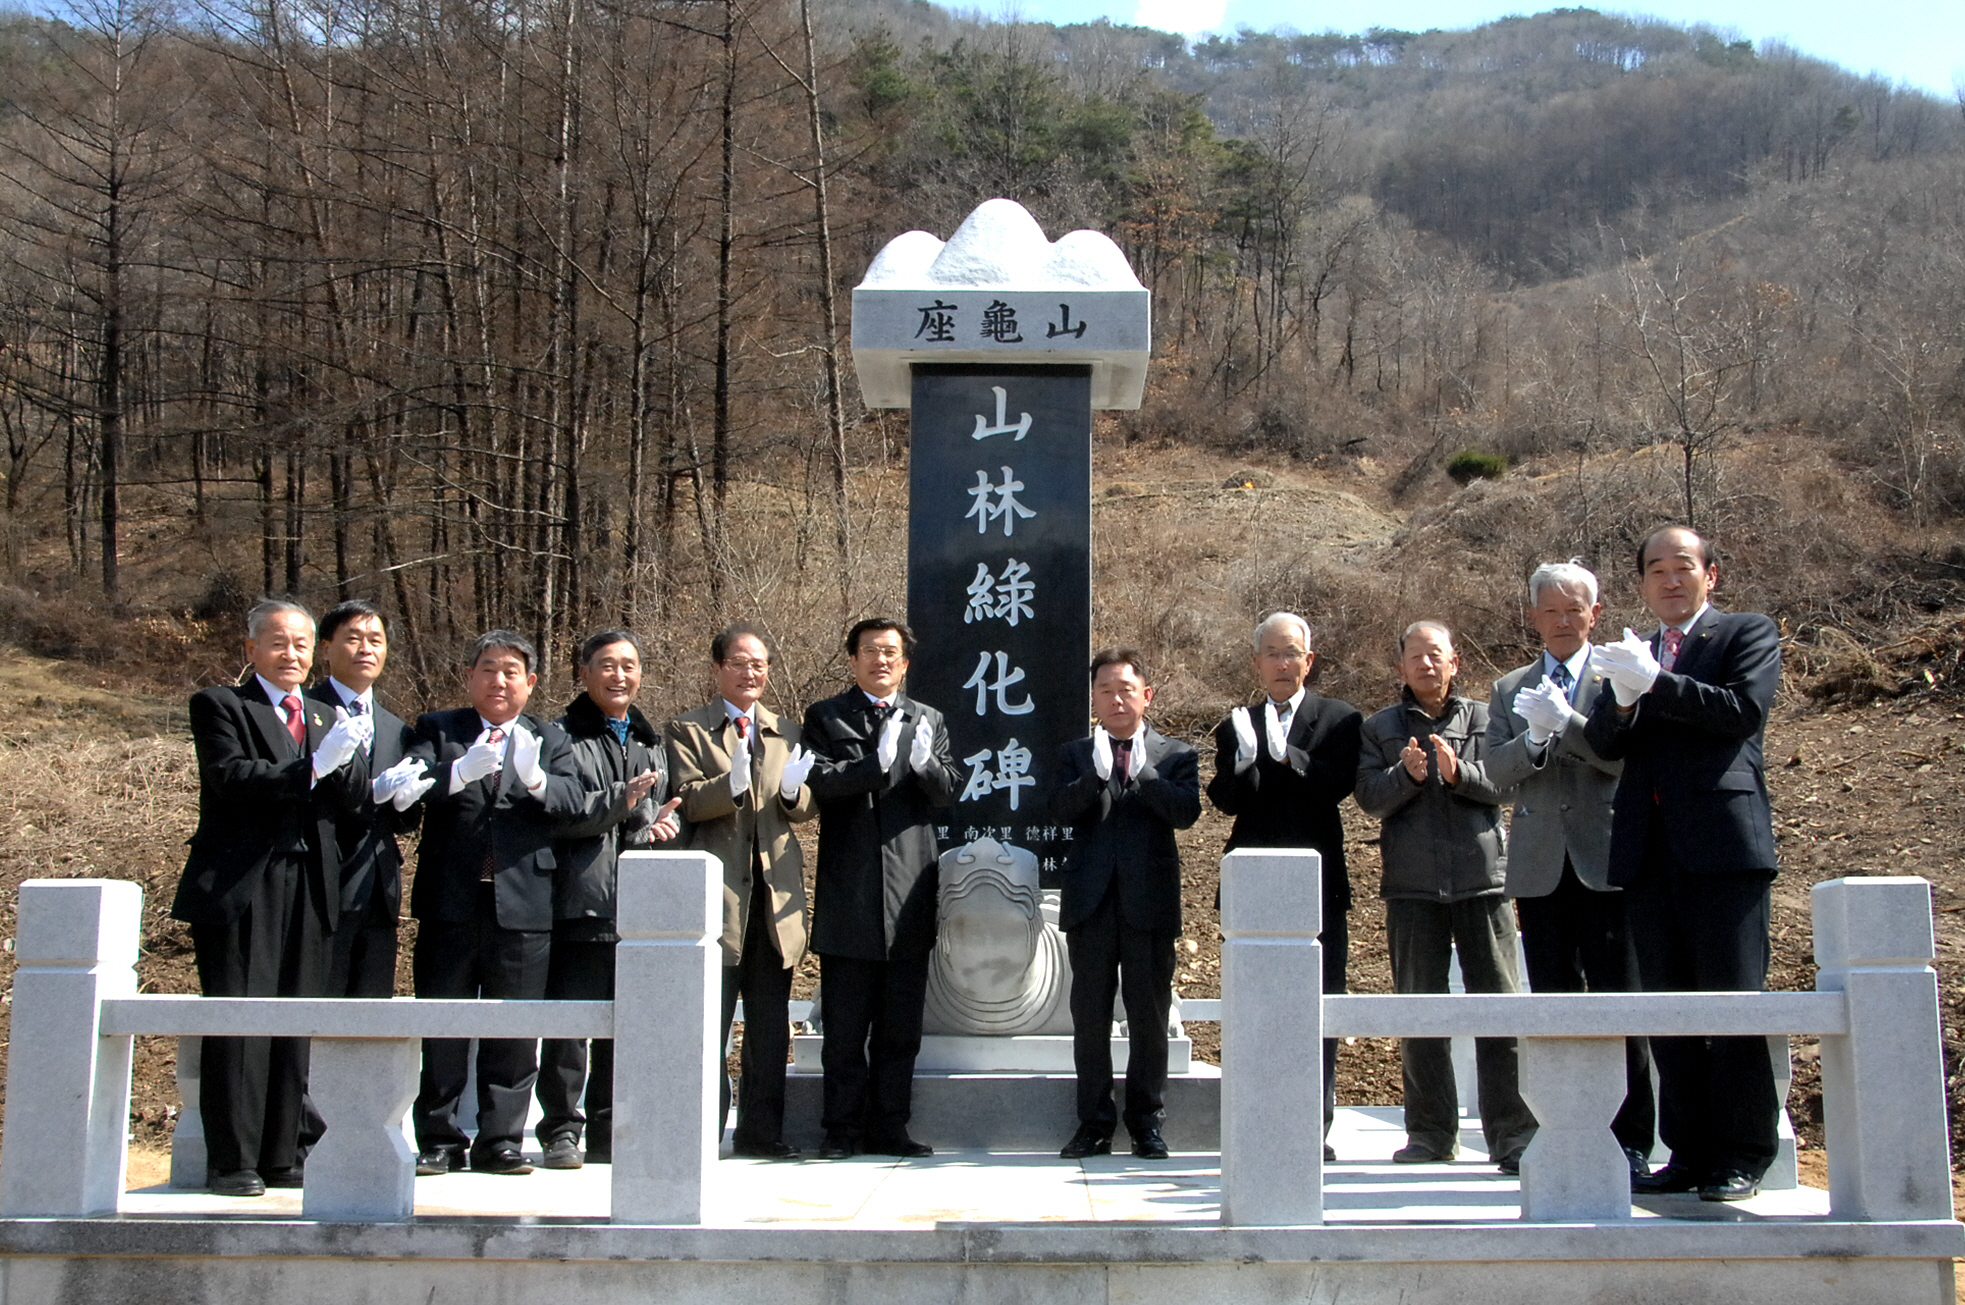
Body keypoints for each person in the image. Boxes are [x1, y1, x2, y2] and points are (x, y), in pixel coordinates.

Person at [1586, 526, 1782, 1203]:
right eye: (1656, 571)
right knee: (1667, 1006)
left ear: (1710, 574)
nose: (1670, 581)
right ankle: (1689, 1149)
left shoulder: (1742, 634)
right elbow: (1605, 742)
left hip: (1722, 846)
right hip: (1647, 848)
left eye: (1683, 568)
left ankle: (1744, 1151)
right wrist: (1619, 694)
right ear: (1640, 582)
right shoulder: (1633, 649)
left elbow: (1740, 711)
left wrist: (1658, 684)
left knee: (1729, 1002)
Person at [171, 598, 369, 1196]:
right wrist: (312, 768)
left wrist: (359, 763)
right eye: (279, 643)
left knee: (297, 1019)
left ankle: (284, 1153)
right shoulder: (223, 704)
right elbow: (231, 778)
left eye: (303, 644)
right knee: (241, 1019)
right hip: (244, 883)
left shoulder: (322, 713)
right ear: (251, 649)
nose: (292, 655)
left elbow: (351, 800)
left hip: (311, 881)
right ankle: (233, 1160)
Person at [1486, 562, 1653, 1184]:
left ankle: (1632, 1138)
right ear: (1532, 616)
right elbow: (1495, 772)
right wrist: (1532, 740)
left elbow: (1621, 759)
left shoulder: (1620, 677)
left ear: (1595, 614)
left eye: (1573, 609)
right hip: (1538, 865)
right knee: (1553, 1005)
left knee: (1618, 1002)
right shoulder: (1510, 687)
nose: (1561, 620)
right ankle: (1558, 1134)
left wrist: (1571, 725)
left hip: (1605, 859)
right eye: (1549, 610)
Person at [1354, 620, 1536, 1173]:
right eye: (1416, 657)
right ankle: (1430, 1135)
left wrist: (1463, 775)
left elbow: (1508, 782)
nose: (1427, 665)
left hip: (1484, 883)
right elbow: (1368, 797)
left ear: (1455, 661)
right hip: (1411, 888)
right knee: (1420, 1013)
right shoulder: (1381, 727)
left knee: (1497, 1011)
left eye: (1436, 655)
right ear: (1401, 667)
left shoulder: (1487, 716)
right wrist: (1405, 777)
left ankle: (1512, 1136)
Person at [405, 630, 582, 1177]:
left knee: (514, 1030)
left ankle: (501, 1141)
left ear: (530, 682)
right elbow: (407, 789)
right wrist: (456, 774)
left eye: (511, 671)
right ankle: (439, 1138)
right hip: (450, 902)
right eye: (488, 668)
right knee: (444, 1025)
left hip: (524, 905)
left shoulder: (549, 737)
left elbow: (573, 801)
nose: (498, 680)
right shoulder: (439, 729)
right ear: (470, 676)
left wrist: (534, 782)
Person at [1205, 612, 1361, 1162]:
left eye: (1291, 652)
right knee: (1255, 1009)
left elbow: (1338, 784)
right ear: (1256, 662)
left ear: (1308, 660)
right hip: (1253, 882)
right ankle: (1255, 1119)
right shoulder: (1237, 724)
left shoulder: (1340, 720)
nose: (1281, 662)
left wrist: (1287, 754)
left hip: (1319, 883)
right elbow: (1224, 799)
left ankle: (1312, 1129)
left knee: (1319, 1009)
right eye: (1271, 652)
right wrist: (1247, 761)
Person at [802, 617, 960, 1159]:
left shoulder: (928, 719)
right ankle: (841, 1130)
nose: (882, 660)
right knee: (845, 1033)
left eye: (891, 652)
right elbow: (819, 784)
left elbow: (947, 793)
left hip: (910, 895)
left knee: (899, 1032)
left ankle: (891, 1126)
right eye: (870, 651)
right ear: (853, 659)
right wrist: (876, 765)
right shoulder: (826, 716)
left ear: (906, 663)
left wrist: (924, 767)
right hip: (850, 893)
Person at [667, 623, 819, 1161]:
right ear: (716, 669)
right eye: (738, 662)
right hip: (719, 900)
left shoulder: (788, 732)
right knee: (710, 1022)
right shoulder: (689, 731)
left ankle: (762, 1131)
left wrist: (799, 793)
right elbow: (683, 799)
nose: (749, 672)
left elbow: (801, 808)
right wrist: (725, 787)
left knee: (769, 1024)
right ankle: (701, 1131)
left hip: (776, 903)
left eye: (758, 664)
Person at [535, 629, 681, 1170]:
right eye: (607, 665)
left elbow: (650, 815)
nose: (620, 675)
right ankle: (560, 1129)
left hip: (639, 905)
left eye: (629, 665)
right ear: (583, 672)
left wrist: (661, 823)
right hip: (581, 899)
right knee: (572, 1025)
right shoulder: (559, 737)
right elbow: (562, 813)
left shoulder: (649, 741)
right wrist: (623, 804)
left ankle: (608, 1127)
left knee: (629, 1026)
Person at [1051, 649, 1201, 1161]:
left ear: (1146, 695)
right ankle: (1093, 1124)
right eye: (1106, 690)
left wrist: (1149, 776)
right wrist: (1094, 777)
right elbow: (1056, 810)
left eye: (1126, 689)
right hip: (1091, 904)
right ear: (1093, 698)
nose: (1117, 699)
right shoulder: (1075, 753)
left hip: (1149, 905)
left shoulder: (1175, 754)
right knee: (1089, 1018)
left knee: (1149, 1016)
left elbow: (1186, 814)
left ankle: (1146, 1123)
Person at [307, 600, 422, 999]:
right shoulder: (306, 710)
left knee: (371, 1015)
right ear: (325, 647)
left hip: (378, 888)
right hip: (320, 882)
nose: (366, 649)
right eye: (353, 639)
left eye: (376, 640)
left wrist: (407, 805)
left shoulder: (397, 727)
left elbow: (403, 821)